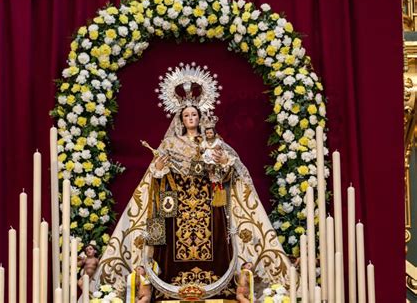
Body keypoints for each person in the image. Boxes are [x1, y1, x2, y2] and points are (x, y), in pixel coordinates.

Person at [94, 63, 290, 299]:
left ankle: (220, 283)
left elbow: (230, 166)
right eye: (186, 115)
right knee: (172, 242)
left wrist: (220, 161)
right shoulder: (169, 144)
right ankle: (166, 285)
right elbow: (156, 175)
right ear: (180, 118)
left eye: (194, 115)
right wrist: (159, 168)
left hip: (209, 205)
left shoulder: (212, 141)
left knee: (215, 242)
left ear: (200, 117)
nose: (190, 118)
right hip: (176, 206)